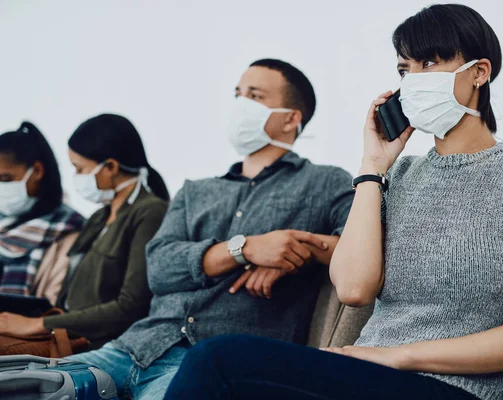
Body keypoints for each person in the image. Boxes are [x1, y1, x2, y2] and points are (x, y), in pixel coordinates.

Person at [164, 5, 503, 400]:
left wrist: (400, 356)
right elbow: (353, 290)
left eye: (429, 62)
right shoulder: (398, 176)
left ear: (479, 72)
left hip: (447, 388)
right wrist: (373, 167)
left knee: (216, 362)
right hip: (365, 376)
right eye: (404, 69)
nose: (413, 79)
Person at [67, 58, 355, 400]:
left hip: (220, 365)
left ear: (292, 118)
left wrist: (297, 250)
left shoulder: (325, 182)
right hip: (133, 347)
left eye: (254, 95)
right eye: (237, 94)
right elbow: (158, 268)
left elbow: (364, 246)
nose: (240, 104)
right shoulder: (195, 191)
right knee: (21, 385)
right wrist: (244, 248)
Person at [0, 114, 169, 350]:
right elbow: (70, 294)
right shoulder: (100, 218)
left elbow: (129, 307)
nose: (76, 178)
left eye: (79, 169)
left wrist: (38, 324)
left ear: (110, 166)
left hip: (98, 344)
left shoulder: (149, 213)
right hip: (65, 333)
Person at [0, 122, 84, 304]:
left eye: (5, 179)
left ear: (37, 171)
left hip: (25, 331)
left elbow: (54, 310)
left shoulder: (70, 234)